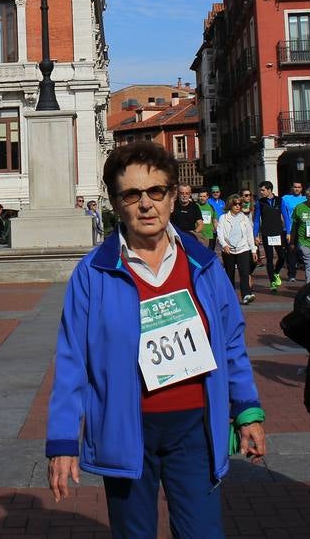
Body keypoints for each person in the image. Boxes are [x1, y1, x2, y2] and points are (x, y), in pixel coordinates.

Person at [45, 141, 265, 536]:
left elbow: (231, 341)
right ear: (116, 202)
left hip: (194, 429)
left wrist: (246, 409)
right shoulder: (92, 274)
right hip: (126, 430)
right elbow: (72, 361)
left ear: (171, 195)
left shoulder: (203, 263)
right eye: (132, 194)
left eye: (155, 191)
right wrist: (62, 441)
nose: (145, 204)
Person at [216, 195, 256, 304]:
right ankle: (230, 296)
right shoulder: (223, 218)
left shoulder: (245, 218)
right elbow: (220, 233)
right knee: (230, 273)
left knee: (244, 272)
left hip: (243, 248)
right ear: (230, 205)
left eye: (239, 204)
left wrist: (253, 250)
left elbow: (249, 235)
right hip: (228, 249)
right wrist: (224, 245)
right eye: (235, 204)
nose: (238, 206)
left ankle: (246, 295)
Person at [254, 181, 286, 292]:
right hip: (266, 233)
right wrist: (256, 235)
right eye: (260, 190)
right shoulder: (260, 202)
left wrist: (288, 232)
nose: (261, 192)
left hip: (278, 232)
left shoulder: (280, 200)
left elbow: (286, 217)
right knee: (269, 258)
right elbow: (257, 220)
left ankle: (276, 272)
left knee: (282, 256)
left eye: (263, 190)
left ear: (269, 189)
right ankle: (272, 281)